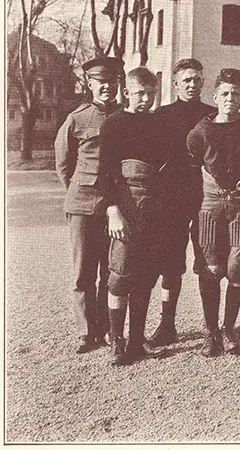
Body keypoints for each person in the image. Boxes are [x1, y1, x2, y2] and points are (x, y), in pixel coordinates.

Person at [187, 68, 240, 357]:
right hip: (210, 206)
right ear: (215, 97)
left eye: (235, 93)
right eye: (224, 93)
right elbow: (190, 175)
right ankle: (211, 333)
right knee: (211, 269)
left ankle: (229, 330)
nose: (230, 98)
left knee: (237, 268)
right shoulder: (200, 132)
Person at [99, 67, 168, 365]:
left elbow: (166, 168)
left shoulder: (159, 124)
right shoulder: (113, 124)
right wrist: (112, 210)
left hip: (152, 207)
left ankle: (137, 342)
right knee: (120, 274)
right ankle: (117, 341)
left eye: (151, 94)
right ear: (126, 92)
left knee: (145, 275)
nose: (146, 99)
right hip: (124, 207)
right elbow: (105, 172)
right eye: (140, 93)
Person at [55, 56, 123, 354]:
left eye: (112, 82)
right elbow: (63, 163)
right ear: (90, 84)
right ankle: (85, 331)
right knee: (83, 271)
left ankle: (107, 328)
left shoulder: (124, 116)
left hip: (116, 206)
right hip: (82, 204)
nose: (107, 87)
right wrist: (77, 191)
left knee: (110, 269)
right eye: (101, 82)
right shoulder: (77, 118)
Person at [148, 58, 216, 347]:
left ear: (203, 82)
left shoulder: (212, 115)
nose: (192, 84)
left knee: (207, 262)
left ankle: (211, 329)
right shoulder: (161, 116)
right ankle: (167, 324)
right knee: (171, 264)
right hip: (172, 200)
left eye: (197, 79)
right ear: (175, 84)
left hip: (205, 199)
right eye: (186, 80)